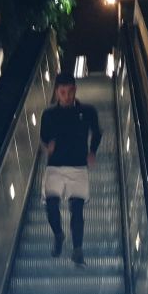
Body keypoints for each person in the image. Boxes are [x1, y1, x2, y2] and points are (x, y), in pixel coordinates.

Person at [39, 71, 101, 267]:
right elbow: (43, 136)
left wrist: (92, 151)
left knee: (77, 208)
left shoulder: (87, 111)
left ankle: (77, 250)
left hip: (78, 165)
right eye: (62, 92)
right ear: (57, 92)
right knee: (51, 206)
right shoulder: (49, 114)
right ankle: (58, 235)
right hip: (55, 165)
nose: (67, 96)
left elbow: (97, 132)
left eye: (70, 91)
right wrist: (48, 144)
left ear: (75, 90)